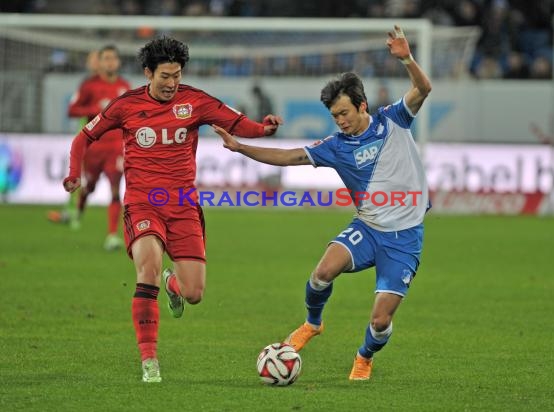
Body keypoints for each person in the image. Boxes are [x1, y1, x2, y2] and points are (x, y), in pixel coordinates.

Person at [213, 25, 431, 381]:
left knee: (380, 321)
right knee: (321, 273)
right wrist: (241, 147)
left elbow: (423, 88)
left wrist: (406, 57)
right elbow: (289, 157)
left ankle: (364, 356)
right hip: (369, 228)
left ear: (362, 105)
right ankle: (312, 324)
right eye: (335, 116)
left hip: (405, 237)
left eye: (345, 113)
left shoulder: (394, 120)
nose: (341, 121)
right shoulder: (335, 145)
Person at [63, 36, 282, 383]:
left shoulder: (195, 101)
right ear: (149, 73)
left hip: (182, 206)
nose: (171, 83)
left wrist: (264, 129)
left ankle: (174, 285)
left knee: (194, 294)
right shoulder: (127, 105)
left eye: (177, 75)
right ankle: (149, 360)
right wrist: (74, 173)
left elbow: (237, 123)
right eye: (165, 76)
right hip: (142, 201)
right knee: (147, 269)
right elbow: (83, 137)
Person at [49, 45, 131, 252]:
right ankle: (79, 209)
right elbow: (72, 109)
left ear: (118, 62)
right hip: (94, 148)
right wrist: (94, 109)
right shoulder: (89, 86)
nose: (111, 62)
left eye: (114, 58)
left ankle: (112, 236)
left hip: (116, 148)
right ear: (100, 63)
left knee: (115, 190)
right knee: (90, 187)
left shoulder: (125, 87)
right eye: (107, 59)